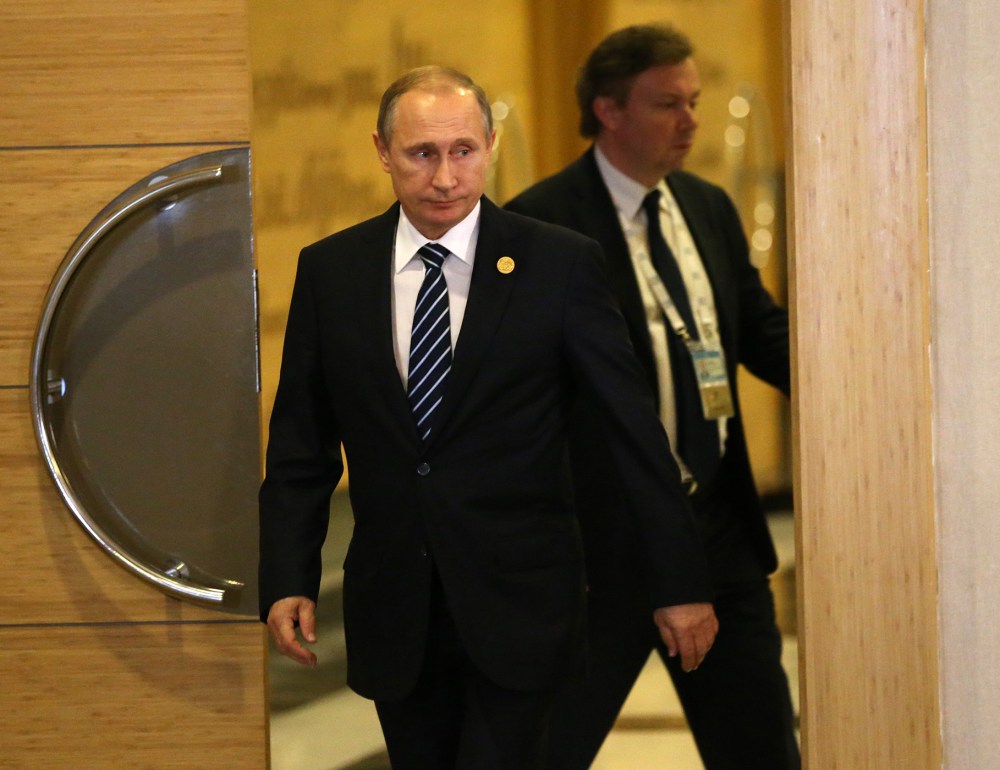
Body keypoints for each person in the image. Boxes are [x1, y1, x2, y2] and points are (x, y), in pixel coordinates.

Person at [258, 65, 719, 770]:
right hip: (398, 609)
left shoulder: (558, 264)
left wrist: (679, 583)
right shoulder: (333, 271)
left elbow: (632, 434)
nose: (445, 177)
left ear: (490, 145)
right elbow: (302, 443)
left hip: (523, 602)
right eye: (422, 153)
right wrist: (289, 573)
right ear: (382, 151)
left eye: (463, 151)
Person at [505, 24, 799, 770]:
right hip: (602, 546)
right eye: (669, 104)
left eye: (694, 101)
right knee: (545, 750)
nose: (690, 120)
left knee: (762, 751)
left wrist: (855, 381)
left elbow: (761, 333)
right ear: (609, 111)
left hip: (718, 535)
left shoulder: (706, 206)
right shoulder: (541, 223)